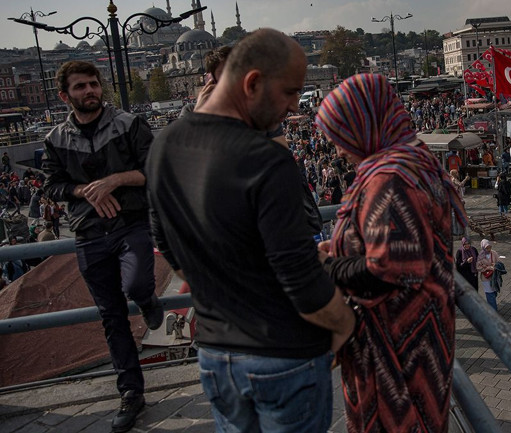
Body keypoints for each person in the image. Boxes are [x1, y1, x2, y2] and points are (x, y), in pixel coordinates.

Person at [147, 29, 355, 432]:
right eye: (290, 92)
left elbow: (167, 245)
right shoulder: (265, 159)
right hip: (282, 355)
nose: (294, 106)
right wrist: (344, 322)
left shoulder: (164, 145)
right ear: (252, 83)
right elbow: (298, 277)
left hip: (215, 353)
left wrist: (225, 289)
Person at [315, 72, 466, 433]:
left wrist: (329, 265)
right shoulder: (414, 158)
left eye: (341, 138)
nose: (338, 151)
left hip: (395, 354)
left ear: (364, 125)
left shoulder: (390, 178)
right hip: (419, 340)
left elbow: (388, 271)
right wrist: (345, 247)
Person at [43, 60, 163, 433]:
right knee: (112, 317)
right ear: (65, 96)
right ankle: (131, 393)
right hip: (89, 233)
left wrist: (115, 180)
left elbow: (155, 169)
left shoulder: (129, 124)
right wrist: (86, 191)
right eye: (80, 86)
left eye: (93, 84)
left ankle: (146, 299)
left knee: (137, 283)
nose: (90, 91)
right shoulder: (55, 140)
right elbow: (52, 185)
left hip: (130, 223)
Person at [477, 239, 500, 311]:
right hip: (486, 278)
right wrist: (488, 268)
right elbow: (478, 267)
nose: (489, 249)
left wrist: (495, 265)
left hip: (494, 276)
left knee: (494, 292)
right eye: (487, 248)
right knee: (490, 294)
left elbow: (499, 263)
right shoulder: (480, 256)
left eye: (490, 247)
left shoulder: (494, 253)